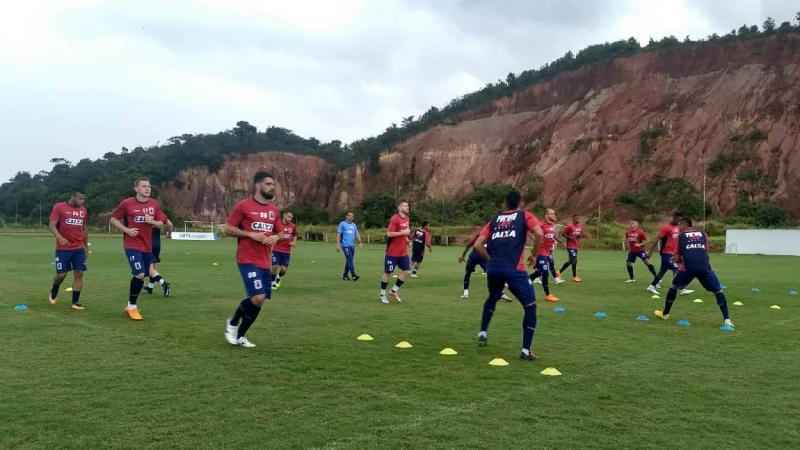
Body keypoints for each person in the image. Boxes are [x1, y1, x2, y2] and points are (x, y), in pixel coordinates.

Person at [474, 190, 544, 360]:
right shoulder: (524, 215)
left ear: (505, 204)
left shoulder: (495, 220)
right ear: (520, 203)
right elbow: (540, 234)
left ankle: (483, 331)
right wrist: (534, 255)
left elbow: (477, 245)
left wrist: (490, 261)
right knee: (530, 307)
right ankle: (526, 351)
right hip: (514, 269)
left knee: (493, 296)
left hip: (494, 269)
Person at [223, 170, 283, 348]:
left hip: (265, 260)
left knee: (260, 300)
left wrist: (277, 237)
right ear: (258, 185)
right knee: (258, 297)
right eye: (268, 184)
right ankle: (232, 324)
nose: (272, 188)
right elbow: (227, 228)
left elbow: (280, 231)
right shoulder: (243, 206)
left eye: (273, 185)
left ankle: (241, 336)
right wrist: (250, 234)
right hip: (247, 258)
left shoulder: (274, 210)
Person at [655, 217, 734, 329]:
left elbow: (677, 257)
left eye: (678, 226)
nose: (677, 228)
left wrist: (674, 260)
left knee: (673, 287)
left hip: (688, 268)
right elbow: (704, 250)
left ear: (682, 225)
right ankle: (727, 320)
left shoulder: (680, 236)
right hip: (705, 267)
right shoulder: (703, 234)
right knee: (718, 291)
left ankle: (665, 314)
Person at [109, 177, 168, 321]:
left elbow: (161, 223)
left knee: (145, 274)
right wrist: (126, 230)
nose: (147, 189)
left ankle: (130, 305)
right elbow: (113, 219)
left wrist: (152, 221)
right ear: (136, 189)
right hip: (132, 244)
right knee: (140, 274)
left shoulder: (154, 204)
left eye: (149, 186)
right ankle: (132, 306)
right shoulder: (127, 203)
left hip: (147, 246)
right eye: (144, 186)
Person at [47, 190, 89, 310]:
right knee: (61, 275)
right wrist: (59, 237)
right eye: (80, 199)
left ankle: (75, 302)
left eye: (83, 199)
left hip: (79, 247)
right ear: (72, 197)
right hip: (63, 248)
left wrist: (86, 246)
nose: (82, 201)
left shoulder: (83, 210)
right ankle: (54, 289)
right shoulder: (59, 207)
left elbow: (84, 228)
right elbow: (52, 224)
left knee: (79, 273)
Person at [646, 212, 694, 296]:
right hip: (666, 253)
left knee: (662, 271)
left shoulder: (679, 228)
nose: (680, 222)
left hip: (674, 253)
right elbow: (657, 239)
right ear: (674, 218)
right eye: (679, 220)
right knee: (676, 269)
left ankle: (652, 286)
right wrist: (650, 251)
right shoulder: (666, 228)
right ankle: (681, 288)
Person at [458, 231, 511, 302]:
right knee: (491, 273)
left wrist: (463, 255)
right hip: (482, 257)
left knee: (467, 274)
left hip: (473, 256)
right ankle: (501, 291)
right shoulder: (492, 236)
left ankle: (465, 294)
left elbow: (469, 244)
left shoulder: (480, 234)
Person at [379, 201, 411, 304]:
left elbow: (405, 233)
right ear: (399, 207)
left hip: (403, 252)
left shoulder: (407, 218)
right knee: (388, 273)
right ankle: (382, 294)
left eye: (408, 206)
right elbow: (389, 234)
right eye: (405, 206)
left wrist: (406, 239)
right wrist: (403, 233)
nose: (407, 207)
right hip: (392, 252)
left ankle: (393, 291)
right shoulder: (395, 218)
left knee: (407, 272)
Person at [528, 208, 561, 302]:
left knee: (539, 272)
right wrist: (536, 243)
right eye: (552, 214)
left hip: (546, 252)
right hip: (540, 252)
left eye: (554, 213)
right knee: (545, 273)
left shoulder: (553, 225)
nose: (554, 215)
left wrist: (553, 242)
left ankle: (525, 282)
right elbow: (530, 232)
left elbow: (551, 236)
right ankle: (548, 295)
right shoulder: (541, 224)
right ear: (546, 215)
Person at [143, 217, 173, 296]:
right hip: (157, 245)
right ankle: (150, 286)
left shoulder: (144, 213)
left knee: (150, 270)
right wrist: (169, 235)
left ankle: (164, 283)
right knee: (153, 268)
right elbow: (170, 224)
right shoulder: (159, 215)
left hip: (148, 245)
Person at [558, 215, 590, 282]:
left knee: (570, 261)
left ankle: (558, 272)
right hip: (570, 246)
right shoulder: (570, 226)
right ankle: (574, 277)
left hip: (575, 246)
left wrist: (580, 235)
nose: (578, 219)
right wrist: (570, 237)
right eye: (577, 218)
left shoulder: (579, 227)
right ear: (573, 219)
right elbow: (563, 234)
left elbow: (581, 235)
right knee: (574, 260)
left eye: (579, 218)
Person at [271, 211, 298, 289]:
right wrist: (274, 239)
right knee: (275, 267)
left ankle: (278, 279)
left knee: (284, 269)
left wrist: (294, 242)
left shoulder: (292, 226)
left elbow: (295, 234)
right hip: (277, 250)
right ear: (284, 216)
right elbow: (272, 234)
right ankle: (272, 281)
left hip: (287, 251)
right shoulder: (277, 225)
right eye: (289, 217)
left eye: (291, 217)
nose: (290, 218)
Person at [336, 211, 363, 281]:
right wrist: (338, 245)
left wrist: (359, 242)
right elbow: (338, 234)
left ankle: (345, 275)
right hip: (345, 245)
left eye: (352, 216)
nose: (351, 217)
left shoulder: (354, 225)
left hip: (352, 246)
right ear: (346, 216)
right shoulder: (342, 224)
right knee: (350, 259)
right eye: (350, 215)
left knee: (349, 260)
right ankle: (353, 275)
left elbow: (357, 234)